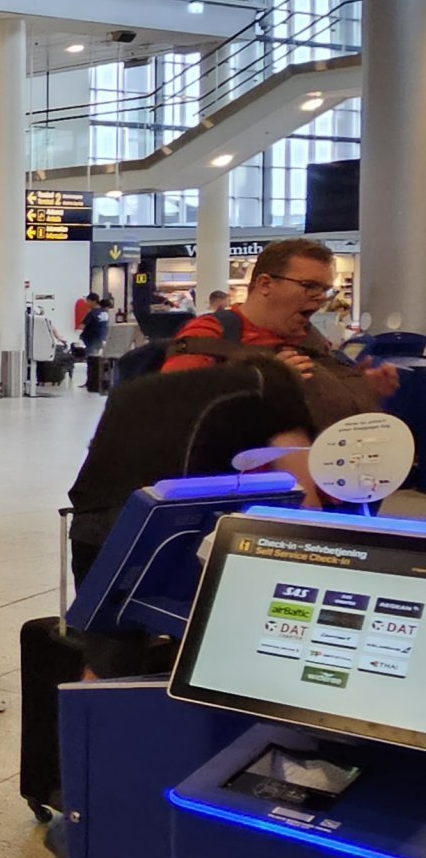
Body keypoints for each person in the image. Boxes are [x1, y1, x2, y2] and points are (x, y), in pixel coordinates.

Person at [66, 350, 321, 677]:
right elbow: (303, 496)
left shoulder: (146, 387)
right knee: (207, 638)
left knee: (109, 656)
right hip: (160, 529)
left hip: (90, 522)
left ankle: (91, 723)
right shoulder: (274, 386)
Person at [161, 236, 392, 425]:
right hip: (243, 477)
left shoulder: (312, 338)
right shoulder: (209, 333)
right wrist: (266, 383)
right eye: (309, 286)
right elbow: (173, 408)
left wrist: (360, 388)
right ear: (265, 284)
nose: (321, 298)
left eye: (325, 289)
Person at [81, 296, 114, 392]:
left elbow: (82, 325)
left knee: (91, 361)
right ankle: (97, 382)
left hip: (91, 339)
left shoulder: (92, 313)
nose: (86, 303)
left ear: (93, 301)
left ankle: (91, 382)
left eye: (88, 301)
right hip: (101, 339)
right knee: (98, 361)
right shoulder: (105, 313)